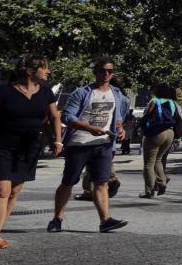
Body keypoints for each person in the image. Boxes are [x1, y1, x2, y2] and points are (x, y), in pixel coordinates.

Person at [0, 55, 63, 257]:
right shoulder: (4, 91)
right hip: (1, 146)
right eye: (45, 68)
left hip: (29, 148)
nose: (48, 71)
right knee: (1, 190)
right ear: (30, 71)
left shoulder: (45, 93)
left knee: (14, 191)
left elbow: (55, 116)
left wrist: (57, 140)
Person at [47, 57, 128, 233]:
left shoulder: (116, 93)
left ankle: (105, 220)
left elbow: (118, 117)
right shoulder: (81, 92)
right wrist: (90, 128)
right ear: (95, 72)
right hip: (79, 144)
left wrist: (120, 129)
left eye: (110, 71)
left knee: (102, 183)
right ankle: (57, 218)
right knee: (68, 182)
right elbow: (67, 117)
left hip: (104, 144)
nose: (106, 74)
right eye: (102, 71)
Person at [138, 84, 182, 197]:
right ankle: (162, 182)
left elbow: (147, 115)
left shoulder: (155, 100)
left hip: (156, 132)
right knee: (158, 159)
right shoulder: (173, 103)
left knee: (148, 164)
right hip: (170, 133)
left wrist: (138, 126)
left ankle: (149, 191)